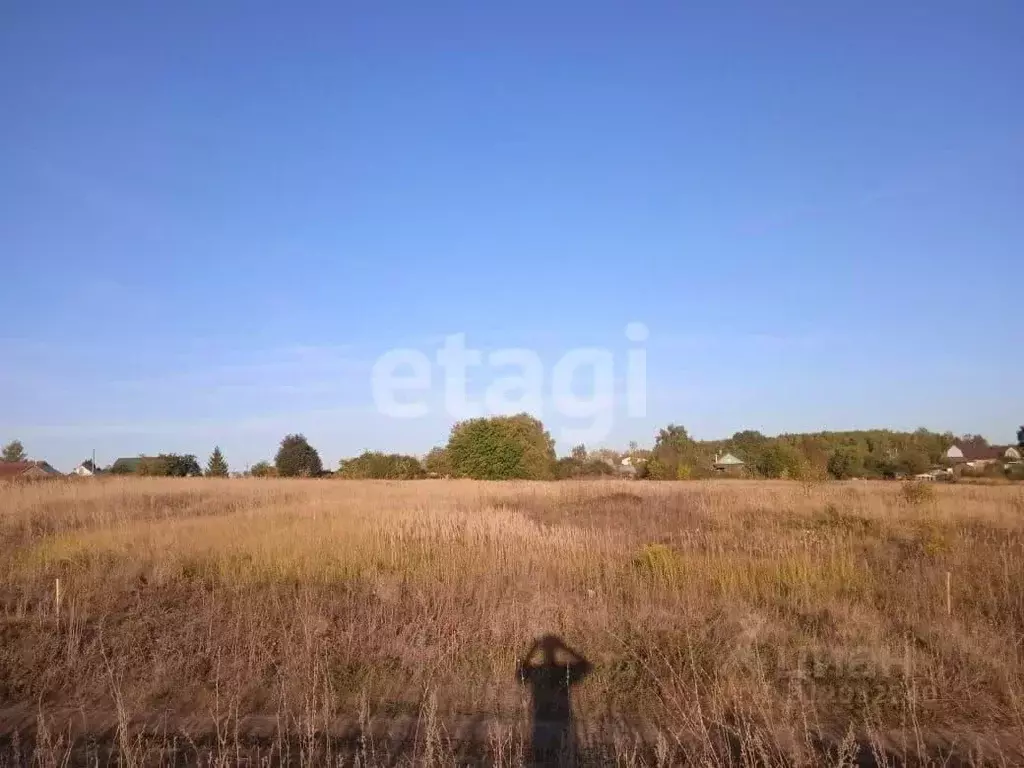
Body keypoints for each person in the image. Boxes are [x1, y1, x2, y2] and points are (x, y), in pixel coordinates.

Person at [517, 635, 592, 766]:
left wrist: (532, 649)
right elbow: (586, 665)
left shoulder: (537, 672)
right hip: (560, 723)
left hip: (542, 722)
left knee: (542, 761)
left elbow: (520, 674)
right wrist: (564, 647)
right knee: (562, 759)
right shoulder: (563, 671)